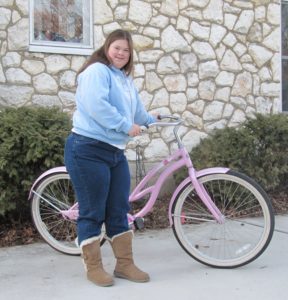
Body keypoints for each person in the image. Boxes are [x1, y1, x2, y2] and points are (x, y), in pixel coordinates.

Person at [64, 29, 156, 287]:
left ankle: (125, 265)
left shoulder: (124, 78)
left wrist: (153, 119)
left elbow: (137, 110)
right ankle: (93, 268)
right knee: (93, 211)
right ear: (107, 48)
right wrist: (125, 125)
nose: (121, 53)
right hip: (87, 149)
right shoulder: (96, 71)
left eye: (126, 50)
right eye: (117, 48)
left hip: (115, 152)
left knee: (118, 208)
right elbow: (97, 106)